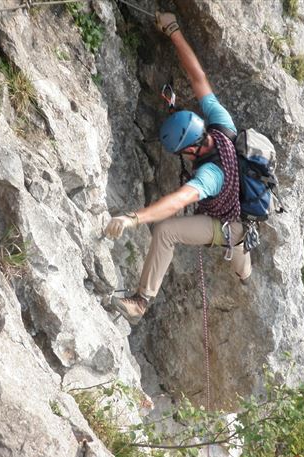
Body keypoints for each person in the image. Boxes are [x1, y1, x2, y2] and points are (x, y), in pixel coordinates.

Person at [104, 12, 251, 325]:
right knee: (241, 253)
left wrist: (134, 218)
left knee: (169, 232)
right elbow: (198, 77)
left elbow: (179, 201)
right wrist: (173, 29)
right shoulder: (222, 125)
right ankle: (243, 272)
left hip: (228, 224)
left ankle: (140, 302)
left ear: (190, 149)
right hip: (242, 211)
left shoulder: (211, 174)